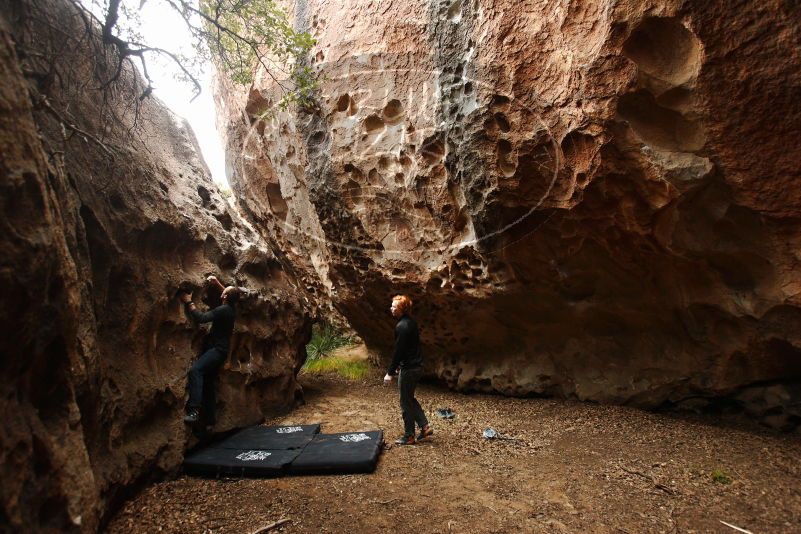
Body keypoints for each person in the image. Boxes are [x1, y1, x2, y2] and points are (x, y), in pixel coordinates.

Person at [179, 276, 240, 425]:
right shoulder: (232, 308)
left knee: (196, 371)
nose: (223, 288)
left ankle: (194, 412)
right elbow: (229, 294)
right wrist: (217, 283)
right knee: (208, 382)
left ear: (224, 296)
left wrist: (188, 301)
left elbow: (201, 318)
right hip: (221, 351)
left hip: (217, 350)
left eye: (224, 289)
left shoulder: (223, 310)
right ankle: (210, 420)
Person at [383, 294, 432, 445]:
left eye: (394, 307)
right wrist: (399, 366)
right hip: (417, 366)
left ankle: (409, 435)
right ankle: (424, 427)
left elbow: (399, 351)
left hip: (410, 369)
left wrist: (390, 372)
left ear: (401, 309)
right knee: (409, 398)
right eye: (391, 305)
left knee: (405, 402)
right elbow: (408, 348)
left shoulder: (401, 326)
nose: (391, 308)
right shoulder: (411, 323)